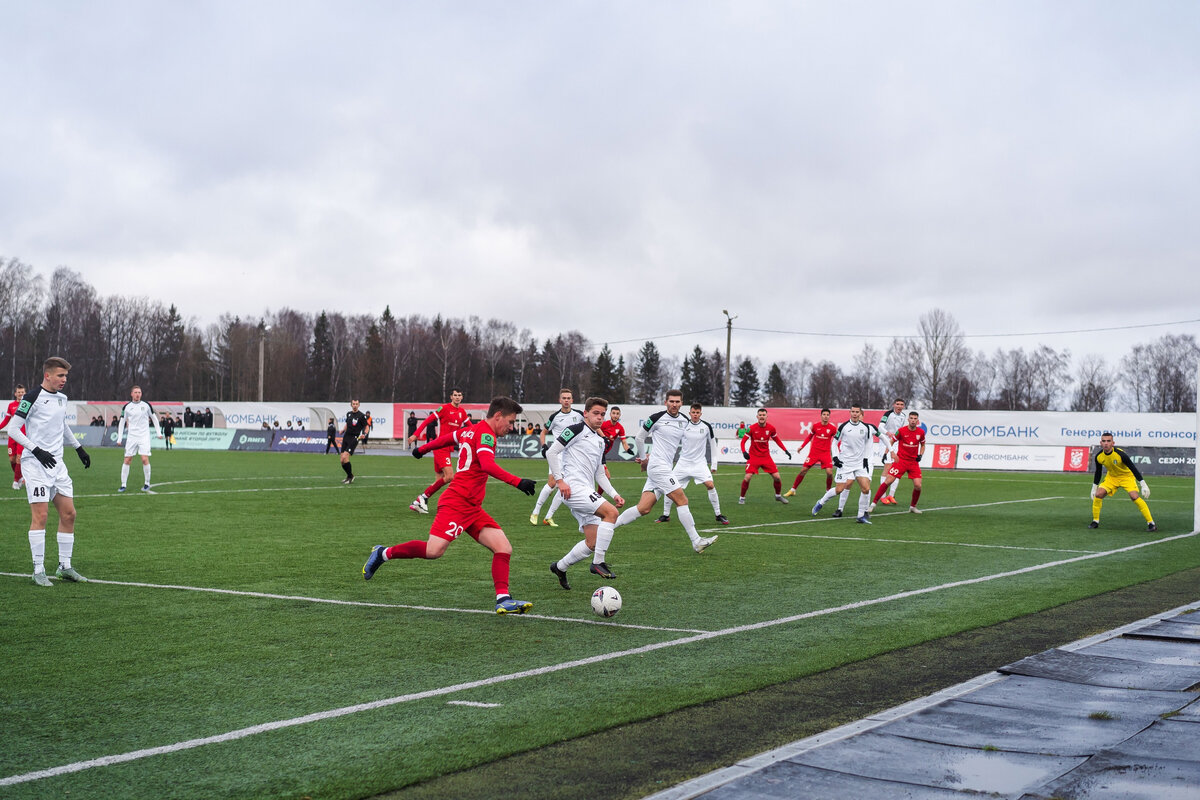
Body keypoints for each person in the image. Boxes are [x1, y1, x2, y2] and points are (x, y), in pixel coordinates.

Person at [363, 396, 537, 614]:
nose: (511, 427)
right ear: (498, 416)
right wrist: (518, 482)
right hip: (457, 502)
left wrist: (423, 449)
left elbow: (447, 439)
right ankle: (383, 553)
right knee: (434, 550)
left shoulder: (471, 430)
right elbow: (487, 465)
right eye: (510, 422)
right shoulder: (486, 434)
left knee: (503, 547)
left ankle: (503, 599)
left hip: (472, 507)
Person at [3, 357, 92, 586]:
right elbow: (13, 429)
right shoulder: (32, 397)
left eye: (66, 376)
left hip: (57, 465)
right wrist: (36, 450)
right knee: (41, 516)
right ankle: (38, 569)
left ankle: (65, 567)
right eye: (60, 376)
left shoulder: (62, 399)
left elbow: (62, 425)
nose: (64, 380)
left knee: (69, 514)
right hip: (35, 465)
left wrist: (79, 448)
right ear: (48, 375)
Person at [611, 390, 719, 561]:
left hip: (665, 467)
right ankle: (696, 541)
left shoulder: (685, 421)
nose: (674, 404)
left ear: (681, 403)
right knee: (682, 500)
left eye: (677, 401)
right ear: (665, 402)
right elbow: (639, 438)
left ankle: (606, 527)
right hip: (657, 466)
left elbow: (693, 438)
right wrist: (644, 458)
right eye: (671, 401)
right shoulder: (656, 418)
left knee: (644, 508)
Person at [546, 397, 627, 588]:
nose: (599, 418)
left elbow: (599, 473)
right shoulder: (576, 429)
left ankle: (560, 567)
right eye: (595, 413)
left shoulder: (600, 441)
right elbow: (552, 452)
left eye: (602, 414)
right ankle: (598, 562)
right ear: (586, 414)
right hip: (573, 488)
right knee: (612, 513)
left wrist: (614, 494)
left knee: (592, 542)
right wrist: (560, 480)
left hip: (586, 490)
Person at [655, 402, 730, 525]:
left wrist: (714, 464)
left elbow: (713, 446)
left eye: (697, 412)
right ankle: (665, 515)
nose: (695, 415)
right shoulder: (683, 425)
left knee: (710, 485)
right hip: (683, 463)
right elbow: (671, 441)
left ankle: (718, 514)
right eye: (693, 412)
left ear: (701, 413)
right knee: (670, 486)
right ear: (690, 413)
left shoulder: (706, 427)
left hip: (699, 463)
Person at [811, 404, 880, 524]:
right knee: (839, 489)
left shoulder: (865, 428)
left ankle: (860, 516)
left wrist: (865, 459)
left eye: (857, 412)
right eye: (852, 411)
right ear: (850, 412)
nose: (854, 414)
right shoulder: (843, 426)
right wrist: (836, 457)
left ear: (860, 414)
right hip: (845, 463)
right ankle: (820, 502)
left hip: (859, 464)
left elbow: (868, 445)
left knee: (866, 489)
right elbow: (834, 442)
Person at [408, 390, 470, 513]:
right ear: (451, 397)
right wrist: (416, 434)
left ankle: (418, 503)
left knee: (439, 481)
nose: (457, 397)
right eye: (455, 395)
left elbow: (472, 428)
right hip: (441, 448)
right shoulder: (445, 408)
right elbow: (427, 420)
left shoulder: (462, 412)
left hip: (447, 449)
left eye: (459, 395)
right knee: (449, 476)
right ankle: (423, 497)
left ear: (462, 397)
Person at [529, 389, 583, 527]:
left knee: (565, 486)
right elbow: (543, 432)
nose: (566, 400)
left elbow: (592, 426)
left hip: (572, 456)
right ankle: (535, 512)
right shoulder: (555, 417)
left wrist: (603, 437)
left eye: (568, 398)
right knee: (553, 483)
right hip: (557, 454)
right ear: (560, 400)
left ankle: (549, 516)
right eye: (564, 398)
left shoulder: (579, 415)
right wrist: (543, 446)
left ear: (572, 400)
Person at [1089, 432, 1156, 532]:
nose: (1106, 443)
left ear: (1113, 443)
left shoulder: (1120, 454)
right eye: (1104, 441)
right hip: (1112, 477)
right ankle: (1095, 521)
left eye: (1108, 441)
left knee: (1134, 497)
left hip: (1126, 477)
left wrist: (1143, 484)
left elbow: (1133, 468)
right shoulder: (1099, 456)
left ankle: (1151, 523)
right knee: (1098, 494)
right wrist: (1094, 488)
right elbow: (1098, 472)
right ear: (1101, 443)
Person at [870, 411, 926, 514]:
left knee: (918, 485)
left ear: (917, 421)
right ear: (908, 420)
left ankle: (913, 507)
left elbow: (922, 445)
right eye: (911, 418)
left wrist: (920, 455)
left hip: (913, 463)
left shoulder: (921, 432)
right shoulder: (901, 431)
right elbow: (891, 441)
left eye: (915, 419)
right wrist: (888, 453)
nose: (913, 420)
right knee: (888, 481)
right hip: (901, 461)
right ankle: (873, 504)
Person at [738, 408, 792, 504]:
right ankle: (742, 498)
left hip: (766, 457)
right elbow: (743, 442)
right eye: (760, 415)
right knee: (747, 477)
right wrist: (744, 452)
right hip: (754, 456)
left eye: (763, 415)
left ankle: (778, 496)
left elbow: (777, 440)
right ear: (757, 417)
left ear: (767, 417)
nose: (762, 417)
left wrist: (785, 450)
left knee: (777, 477)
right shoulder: (751, 428)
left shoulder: (771, 428)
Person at [117, 385, 164, 492]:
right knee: (127, 460)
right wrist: (119, 438)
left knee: (144, 459)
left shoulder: (146, 405)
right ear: (131, 394)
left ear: (141, 394)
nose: (138, 394)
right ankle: (123, 485)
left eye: (139, 392)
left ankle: (147, 483)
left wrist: (158, 433)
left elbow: (154, 418)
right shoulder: (127, 407)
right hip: (132, 437)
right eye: (136, 392)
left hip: (144, 437)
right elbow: (122, 422)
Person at [784, 408, 837, 498]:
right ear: (821, 416)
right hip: (814, 453)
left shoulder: (832, 428)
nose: (826, 416)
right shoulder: (815, 426)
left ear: (829, 416)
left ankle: (828, 491)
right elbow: (809, 437)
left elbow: (837, 440)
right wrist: (802, 446)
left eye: (827, 415)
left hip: (826, 454)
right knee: (803, 470)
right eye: (824, 414)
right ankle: (793, 490)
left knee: (829, 473)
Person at [874, 398, 907, 505]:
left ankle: (891, 495)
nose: (899, 406)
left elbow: (901, 430)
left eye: (901, 404)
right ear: (894, 405)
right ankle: (882, 496)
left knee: (897, 468)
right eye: (897, 404)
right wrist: (888, 433)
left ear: (903, 406)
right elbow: (880, 427)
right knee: (887, 467)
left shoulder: (903, 416)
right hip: (885, 442)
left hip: (896, 443)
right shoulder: (888, 414)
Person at [1, 384, 27, 490]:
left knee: (19, 459)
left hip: (23, 435)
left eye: (22, 392)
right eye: (19, 392)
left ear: (25, 393)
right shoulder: (11, 405)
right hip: (12, 436)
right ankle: (20, 477)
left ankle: (16, 482)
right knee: (12, 459)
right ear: (15, 393)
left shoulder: (28, 405)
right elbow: (6, 420)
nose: (20, 394)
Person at [339, 400, 369, 484]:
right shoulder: (348, 414)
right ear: (351, 405)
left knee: (345, 457)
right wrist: (343, 430)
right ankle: (349, 476)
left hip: (354, 438)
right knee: (342, 460)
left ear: (359, 405)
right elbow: (347, 424)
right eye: (353, 404)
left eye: (356, 404)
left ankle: (350, 477)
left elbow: (367, 427)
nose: (355, 405)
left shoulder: (362, 416)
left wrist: (364, 434)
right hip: (346, 437)